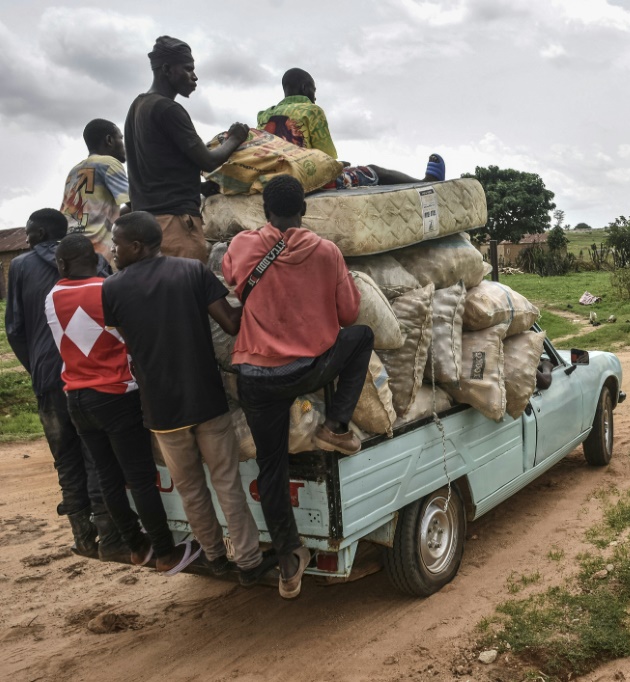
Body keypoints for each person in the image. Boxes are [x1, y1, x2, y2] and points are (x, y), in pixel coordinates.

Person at [102, 211, 277, 586]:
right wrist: (262, 291)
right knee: (227, 483)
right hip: (206, 400)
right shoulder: (191, 272)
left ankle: (214, 558)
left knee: (191, 490)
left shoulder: (112, 288)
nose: (112, 251)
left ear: (136, 245)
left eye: (116, 244)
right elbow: (231, 323)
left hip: (161, 410)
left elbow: (124, 335)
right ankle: (248, 563)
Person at [222, 175, 374, 598]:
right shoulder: (326, 251)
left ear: (265, 211)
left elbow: (231, 276)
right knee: (361, 337)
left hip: (255, 377)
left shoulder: (243, 245)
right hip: (307, 370)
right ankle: (337, 425)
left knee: (272, 468)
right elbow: (349, 313)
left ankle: (290, 558)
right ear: (303, 210)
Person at [45, 235, 200, 574]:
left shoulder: (52, 298)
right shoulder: (110, 289)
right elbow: (130, 337)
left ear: (61, 265)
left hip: (77, 398)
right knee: (140, 478)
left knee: (107, 477)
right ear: (96, 257)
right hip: (116, 395)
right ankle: (165, 552)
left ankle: (135, 546)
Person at [4, 209, 128, 560]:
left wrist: (39, 371)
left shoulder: (21, 267)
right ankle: (110, 533)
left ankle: (83, 536)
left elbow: (14, 329)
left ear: (41, 232)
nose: (26, 240)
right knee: (97, 455)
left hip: (49, 381)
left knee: (66, 459)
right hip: (94, 377)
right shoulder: (95, 261)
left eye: (29, 234)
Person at [124, 36, 251, 263]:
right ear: (166, 69)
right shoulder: (168, 109)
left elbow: (160, 168)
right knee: (183, 294)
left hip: (144, 223)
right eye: (188, 69)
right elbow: (209, 161)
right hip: (175, 225)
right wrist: (235, 138)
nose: (194, 76)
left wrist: (201, 186)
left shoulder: (138, 106)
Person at [256, 68, 444, 189]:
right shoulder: (312, 111)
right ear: (306, 88)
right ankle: (426, 184)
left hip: (273, 181)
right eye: (314, 90)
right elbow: (326, 159)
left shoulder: (264, 115)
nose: (315, 97)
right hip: (310, 181)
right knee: (374, 171)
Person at [60, 119, 130, 265]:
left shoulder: (74, 171)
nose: (124, 144)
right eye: (121, 138)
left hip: (70, 254)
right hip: (99, 255)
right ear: (109, 140)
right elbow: (136, 203)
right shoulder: (108, 163)